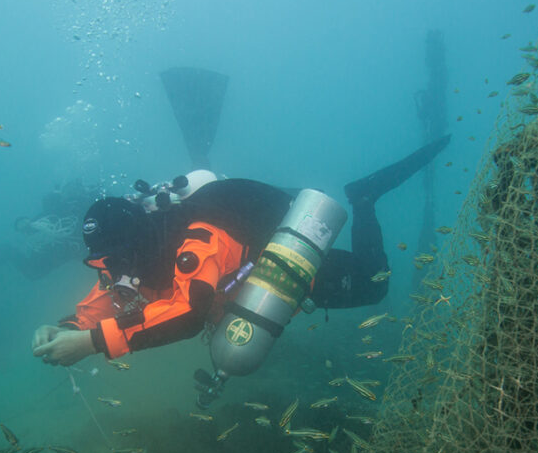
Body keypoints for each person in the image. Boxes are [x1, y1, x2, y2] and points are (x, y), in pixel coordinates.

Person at [31, 135, 450, 366]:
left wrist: (91, 343)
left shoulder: (197, 239)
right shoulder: (131, 256)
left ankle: (363, 199)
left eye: (115, 258)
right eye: (103, 263)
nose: (113, 271)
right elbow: (106, 293)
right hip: (237, 286)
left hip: (274, 265)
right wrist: (69, 325)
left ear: (136, 240)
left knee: (372, 286)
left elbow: (190, 313)